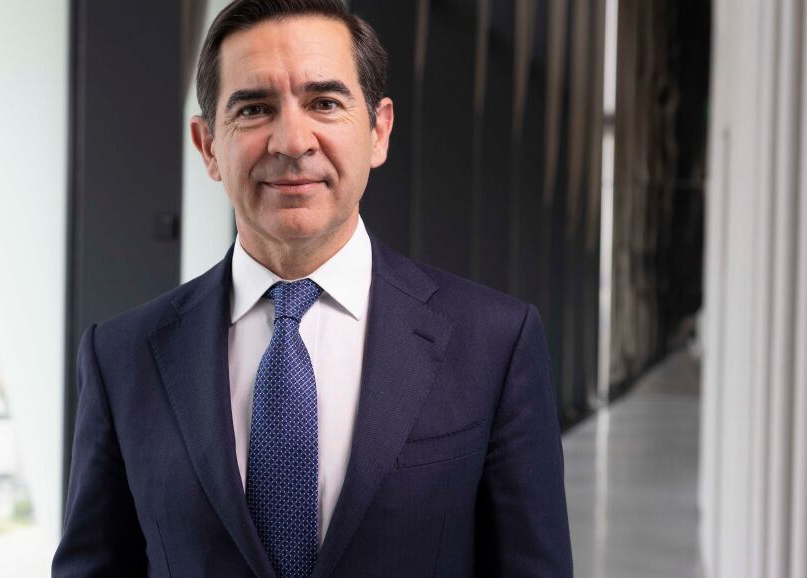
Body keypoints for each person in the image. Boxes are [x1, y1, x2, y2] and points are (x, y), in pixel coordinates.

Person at [52, 0, 572, 576]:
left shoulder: (494, 345)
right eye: (254, 109)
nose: (292, 141)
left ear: (378, 131)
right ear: (208, 146)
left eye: (324, 103)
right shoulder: (121, 358)